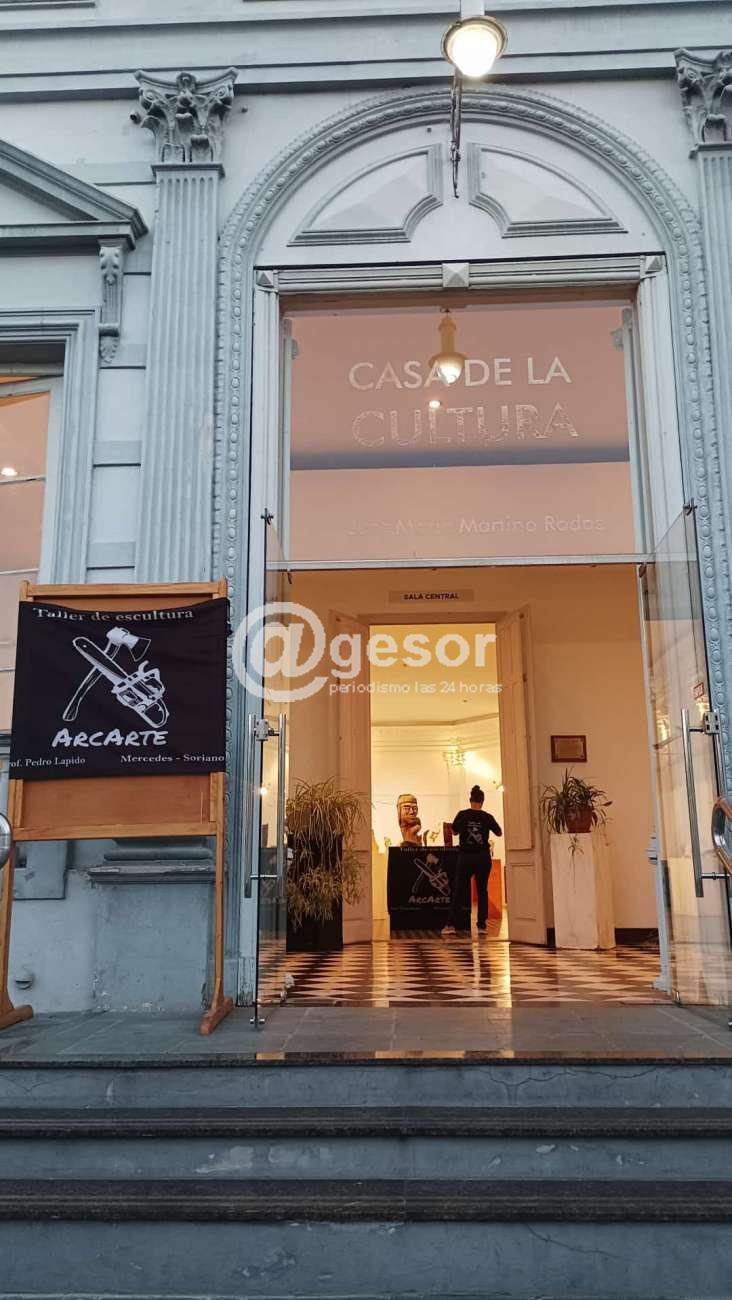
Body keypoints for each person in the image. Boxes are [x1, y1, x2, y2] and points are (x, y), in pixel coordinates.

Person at [442, 785, 502, 936]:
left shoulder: (462, 815)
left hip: (465, 857)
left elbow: (454, 831)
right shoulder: (487, 817)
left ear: (470, 800)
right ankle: (482, 926)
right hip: (483, 857)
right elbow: (499, 832)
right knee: (482, 891)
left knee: (458, 891)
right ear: (482, 801)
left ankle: (451, 925)